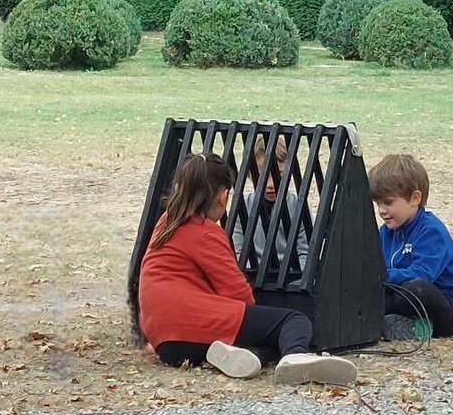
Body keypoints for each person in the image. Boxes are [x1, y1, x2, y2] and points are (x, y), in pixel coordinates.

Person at [133, 153, 357, 386]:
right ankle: (296, 357)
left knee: (267, 336)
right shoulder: (205, 231)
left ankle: (247, 357)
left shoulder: (166, 222)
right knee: (293, 321)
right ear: (222, 196)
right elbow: (237, 293)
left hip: (165, 342)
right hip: (193, 321)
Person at [370, 153, 453, 339]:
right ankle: (402, 325)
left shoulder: (431, 231)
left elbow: (423, 273)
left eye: (388, 202)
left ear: (415, 198)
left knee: (417, 289)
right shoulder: (385, 232)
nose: (382, 211)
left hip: (445, 308)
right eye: (378, 204)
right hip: (401, 295)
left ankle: (419, 326)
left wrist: (381, 276)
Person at [238, 133, 310, 288]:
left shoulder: (297, 206)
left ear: (290, 173)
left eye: (279, 174)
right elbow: (236, 252)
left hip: (291, 281)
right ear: (250, 174)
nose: (270, 184)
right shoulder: (242, 207)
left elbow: (305, 252)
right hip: (250, 281)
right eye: (263, 175)